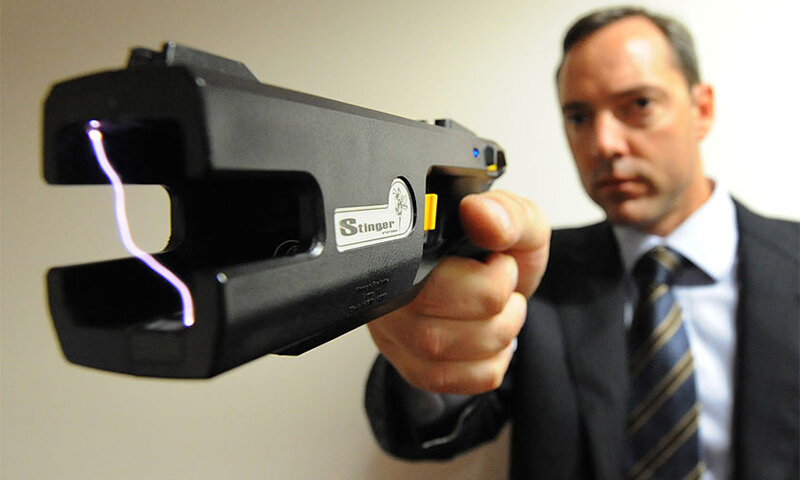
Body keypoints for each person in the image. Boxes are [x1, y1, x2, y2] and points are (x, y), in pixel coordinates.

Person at [364, 6, 799, 480]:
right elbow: (424, 426)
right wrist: (427, 338)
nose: (604, 143)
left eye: (639, 104)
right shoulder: (524, 273)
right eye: (578, 116)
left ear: (703, 109)